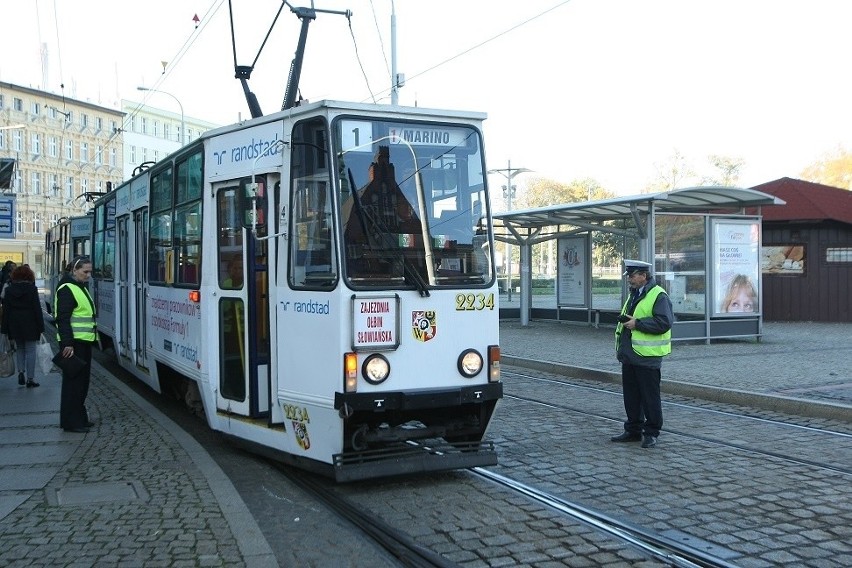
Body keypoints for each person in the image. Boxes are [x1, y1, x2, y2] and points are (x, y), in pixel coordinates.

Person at [611, 259, 673, 449]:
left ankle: (651, 432)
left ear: (643, 276)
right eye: (628, 275)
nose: (629, 279)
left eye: (632, 275)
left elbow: (664, 322)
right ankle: (633, 429)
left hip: (648, 356)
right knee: (631, 396)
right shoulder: (634, 294)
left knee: (649, 397)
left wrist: (638, 324)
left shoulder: (658, 295)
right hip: (630, 354)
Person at [54, 256, 97, 433]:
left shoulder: (78, 286)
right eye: (85, 271)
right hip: (74, 344)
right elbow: (62, 319)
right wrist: (67, 344)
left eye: (90, 272)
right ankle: (72, 422)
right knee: (74, 384)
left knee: (81, 383)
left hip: (83, 342)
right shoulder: (67, 288)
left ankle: (79, 418)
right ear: (75, 270)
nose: (88, 275)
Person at [0, 265, 45, 387]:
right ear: (28, 276)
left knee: (20, 349)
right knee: (31, 350)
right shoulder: (32, 289)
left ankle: (20, 372)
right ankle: (30, 378)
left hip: (14, 324)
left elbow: (6, 310)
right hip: (30, 323)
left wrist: (4, 329)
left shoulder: (9, 290)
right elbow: (37, 309)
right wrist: (41, 327)